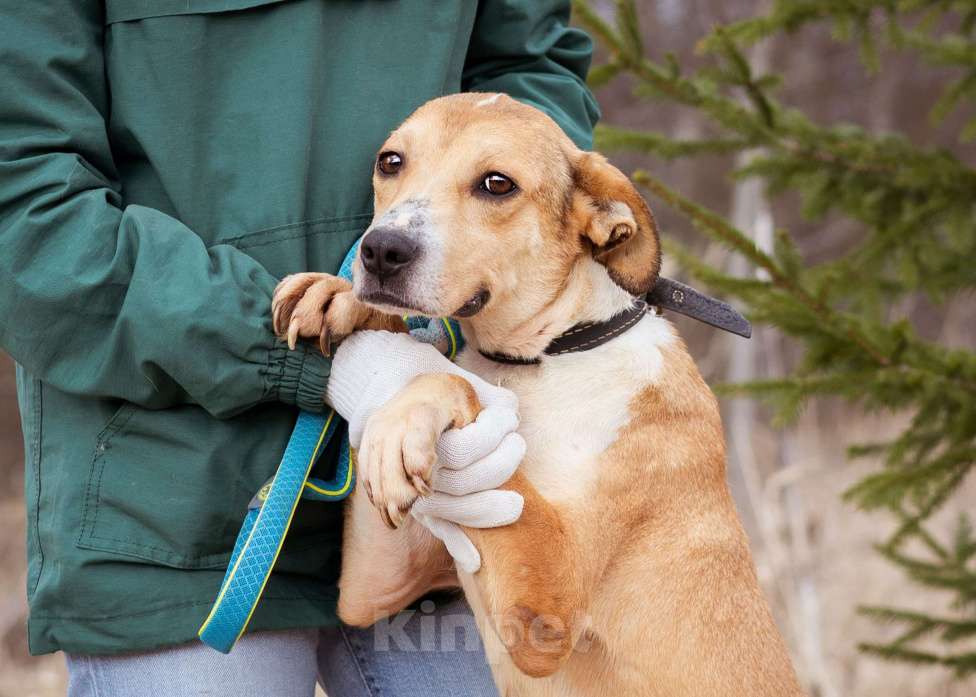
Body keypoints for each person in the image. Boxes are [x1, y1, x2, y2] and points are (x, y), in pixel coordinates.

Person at [0, 1, 598, 695]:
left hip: (446, 483)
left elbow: (529, 78)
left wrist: (454, 311)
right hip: (170, 502)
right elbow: (29, 215)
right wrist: (343, 354)